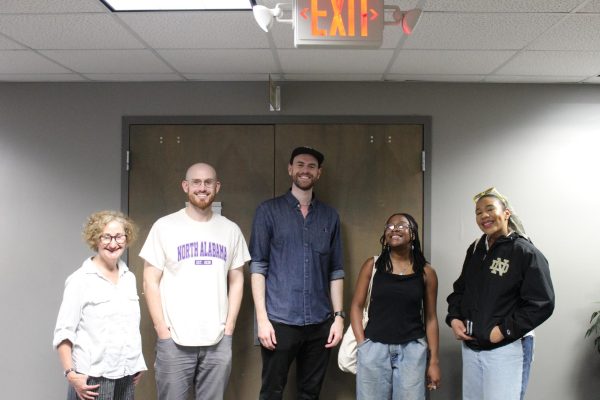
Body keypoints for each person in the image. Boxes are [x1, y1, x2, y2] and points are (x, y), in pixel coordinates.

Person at [140, 162, 249, 400]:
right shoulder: (164, 227)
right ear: (185, 186)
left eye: (208, 182)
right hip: (174, 340)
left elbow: (237, 280)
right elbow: (150, 281)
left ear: (217, 187)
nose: (202, 187)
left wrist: (229, 327)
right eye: (196, 182)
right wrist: (162, 330)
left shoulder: (230, 230)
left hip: (218, 340)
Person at [250, 146, 345, 400]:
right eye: (300, 165)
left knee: (310, 393)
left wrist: (338, 317)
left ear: (319, 173)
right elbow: (258, 266)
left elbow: (336, 270)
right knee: (271, 391)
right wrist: (262, 320)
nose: (305, 170)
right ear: (290, 169)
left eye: (311, 166)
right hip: (279, 320)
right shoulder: (268, 211)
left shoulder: (330, 216)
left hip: (320, 322)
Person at [446, 187, 555, 400]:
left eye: (489, 209)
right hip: (471, 346)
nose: (483, 215)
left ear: (506, 213)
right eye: (478, 212)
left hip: (506, 347)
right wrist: (454, 318)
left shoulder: (524, 252)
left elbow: (542, 302)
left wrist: (503, 331)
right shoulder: (476, 248)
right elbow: (461, 289)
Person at [53, 210, 147, 400]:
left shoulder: (129, 278)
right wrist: (71, 374)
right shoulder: (80, 280)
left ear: (127, 238)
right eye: (106, 237)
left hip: (126, 375)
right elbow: (63, 332)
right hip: (92, 378)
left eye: (119, 236)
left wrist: (137, 363)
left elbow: (129, 327)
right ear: (95, 239)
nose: (113, 243)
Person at [350, 213, 441, 400]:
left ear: (413, 234)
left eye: (401, 225)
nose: (394, 229)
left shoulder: (426, 273)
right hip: (374, 349)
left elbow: (431, 318)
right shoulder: (372, 266)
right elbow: (356, 306)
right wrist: (363, 345)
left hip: (412, 351)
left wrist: (433, 361)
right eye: (389, 226)